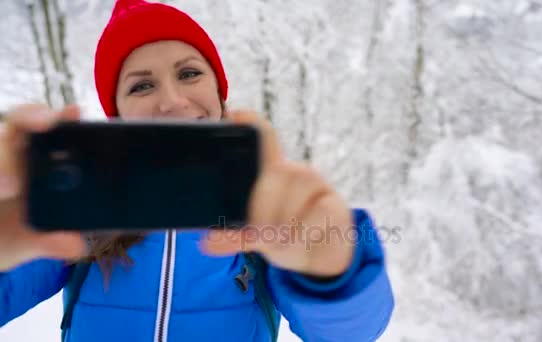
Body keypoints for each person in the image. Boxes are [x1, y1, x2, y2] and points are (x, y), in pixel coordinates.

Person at [0, 0, 394, 341]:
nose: (171, 101)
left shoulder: (262, 211)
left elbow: (353, 334)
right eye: (141, 87)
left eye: (189, 74)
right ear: (117, 116)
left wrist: (333, 267)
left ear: (219, 96)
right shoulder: (81, 214)